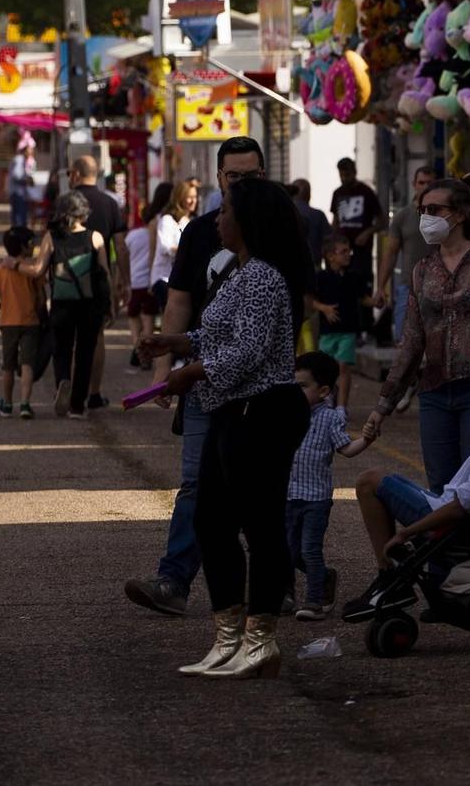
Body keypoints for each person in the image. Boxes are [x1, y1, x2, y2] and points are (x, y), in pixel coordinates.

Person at [142, 176, 313, 678]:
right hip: (231, 410)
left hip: (261, 411)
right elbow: (218, 335)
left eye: (225, 211)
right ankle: (228, 636)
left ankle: (260, 640)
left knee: (259, 526)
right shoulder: (238, 274)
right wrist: (173, 343)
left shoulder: (262, 276)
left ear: (248, 221)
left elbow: (247, 351)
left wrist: (186, 374)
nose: (217, 219)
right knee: (212, 522)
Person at [123, 136, 267, 618]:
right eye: (234, 177)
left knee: (262, 487)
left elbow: (259, 335)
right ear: (219, 179)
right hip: (206, 384)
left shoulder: (279, 235)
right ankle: (175, 580)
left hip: (261, 389)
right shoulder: (203, 232)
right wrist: (169, 363)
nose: (242, 186)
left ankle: (279, 581)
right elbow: (182, 304)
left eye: (252, 176)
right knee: (198, 485)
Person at [364, 176, 470, 491]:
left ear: (459, 214)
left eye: (433, 209)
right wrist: (382, 405)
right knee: (441, 489)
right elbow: (412, 342)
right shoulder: (422, 270)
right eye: (422, 211)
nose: (425, 218)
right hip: (434, 391)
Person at [352, 366, 470, 585]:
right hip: (443, 504)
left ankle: (388, 576)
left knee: (368, 482)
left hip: (446, 518)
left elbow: (461, 506)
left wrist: (406, 533)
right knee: (383, 476)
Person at [287, 350, 374, 622]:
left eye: (302, 386)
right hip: (288, 495)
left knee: (309, 549)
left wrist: (367, 440)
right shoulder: (287, 414)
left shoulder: (329, 418)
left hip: (315, 499)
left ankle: (314, 601)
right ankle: (311, 582)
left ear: (324, 391)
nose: (296, 391)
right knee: (288, 550)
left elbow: (346, 449)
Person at [30, 190, 110, 419]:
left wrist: (15, 266)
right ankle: (77, 405)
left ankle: (62, 382)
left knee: (61, 349)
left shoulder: (51, 237)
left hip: (61, 302)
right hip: (90, 304)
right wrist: (109, 304)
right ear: (83, 213)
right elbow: (104, 273)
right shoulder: (95, 237)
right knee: (85, 353)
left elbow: (38, 271)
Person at [68, 155, 127, 406]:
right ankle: (93, 392)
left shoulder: (66, 203)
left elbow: (50, 242)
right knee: (97, 336)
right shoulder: (110, 203)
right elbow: (121, 245)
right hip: (99, 278)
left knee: (71, 336)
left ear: (75, 174)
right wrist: (125, 279)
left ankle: (73, 391)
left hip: (67, 279)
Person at [373, 165, 437, 340]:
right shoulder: (403, 216)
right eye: (421, 182)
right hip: (409, 286)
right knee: (405, 339)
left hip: (439, 284)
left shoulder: (444, 214)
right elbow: (390, 253)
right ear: (414, 184)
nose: (425, 186)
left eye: (430, 183)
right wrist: (380, 287)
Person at [0, 225, 42, 419]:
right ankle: (26, 404)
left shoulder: (1, 270)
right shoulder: (31, 269)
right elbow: (40, 296)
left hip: (8, 322)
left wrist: (3, 307)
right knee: (27, 364)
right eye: (31, 244)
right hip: (30, 322)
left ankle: (7, 403)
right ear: (23, 247)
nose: (34, 247)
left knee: (8, 365)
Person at [124, 182, 175, 368]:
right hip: (159, 278)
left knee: (146, 317)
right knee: (155, 318)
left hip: (151, 279)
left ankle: (141, 350)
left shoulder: (152, 223)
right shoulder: (164, 220)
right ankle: (146, 352)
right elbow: (153, 252)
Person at [312, 236, 364, 410]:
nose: (347, 255)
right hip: (327, 332)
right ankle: (325, 403)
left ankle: (342, 407)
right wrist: (324, 308)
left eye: (348, 251)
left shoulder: (353, 277)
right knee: (325, 370)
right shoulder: (321, 277)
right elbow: (311, 300)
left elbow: (363, 298)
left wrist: (377, 301)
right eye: (343, 252)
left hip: (348, 330)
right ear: (330, 256)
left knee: (343, 367)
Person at [329, 157, 384, 297]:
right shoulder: (338, 193)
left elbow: (382, 221)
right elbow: (335, 221)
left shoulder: (366, 192)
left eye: (346, 175)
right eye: (341, 175)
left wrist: (367, 233)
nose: (343, 179)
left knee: (362, 290)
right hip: (342, 253)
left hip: (362, 253)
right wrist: (333, 241)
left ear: (354, 172)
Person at [151, 178, 198, 311]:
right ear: (180, 198)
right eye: (189, 197)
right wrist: (187, 251)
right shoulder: (167, 220)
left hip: (181, 280)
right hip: (164, 279)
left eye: (195, 197)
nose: (193, 201)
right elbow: (165, 247)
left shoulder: (189, 221)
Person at [291, 179, 330, 262]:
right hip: (313, 264)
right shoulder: (318, 215)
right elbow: (328, 241)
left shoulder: (283, 213)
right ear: (309, 194)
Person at [7, 138, 38, 228]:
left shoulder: (22, 160)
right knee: (20, 218)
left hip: (18, 193)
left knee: (18, 217)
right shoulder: (19, 159)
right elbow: (17, 175)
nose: (32, 151)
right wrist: (27, 180)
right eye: (30, 149)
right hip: (17, 193)